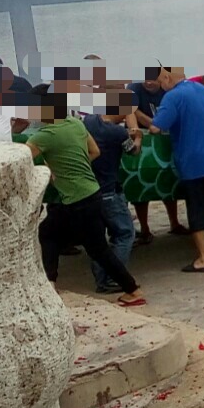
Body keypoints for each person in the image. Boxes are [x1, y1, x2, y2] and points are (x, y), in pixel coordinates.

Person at [25, 90, 144, 306]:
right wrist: (72, 168)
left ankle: (132, 290)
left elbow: (21, 162)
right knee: (58, 235)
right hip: (91, 192)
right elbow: (95, 151)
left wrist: (51, 170)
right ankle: (52, 283)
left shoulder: (44, 136)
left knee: (88, 245)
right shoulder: (76, 124)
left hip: (75, 199)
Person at [150, 66, 204, 272]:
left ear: (167, 77)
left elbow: (156, 127)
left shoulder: (172, 97)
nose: (160, 86)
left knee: (197, 210)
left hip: (194, 162)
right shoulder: (202, 89)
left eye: (160, 81)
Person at [81, 93, 140, 294]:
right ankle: (113, 278)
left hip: (91, 191)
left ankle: (101, 278)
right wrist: (137, 137)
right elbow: (133, 151)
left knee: (99, 239)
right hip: (110, 191)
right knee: (125, 234)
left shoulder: (88, 121)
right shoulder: (117, 133)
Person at [127, 68, 186, 241]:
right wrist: (154, 123)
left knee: (167, 178)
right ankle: (145, 229)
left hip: (165, 136)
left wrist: (158, 124)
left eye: (152, 79)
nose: (148, 82)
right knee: (139, 183)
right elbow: (129, 111)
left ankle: (174, 223)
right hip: (142, 137)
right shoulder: (134, 89)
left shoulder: (168, 89)